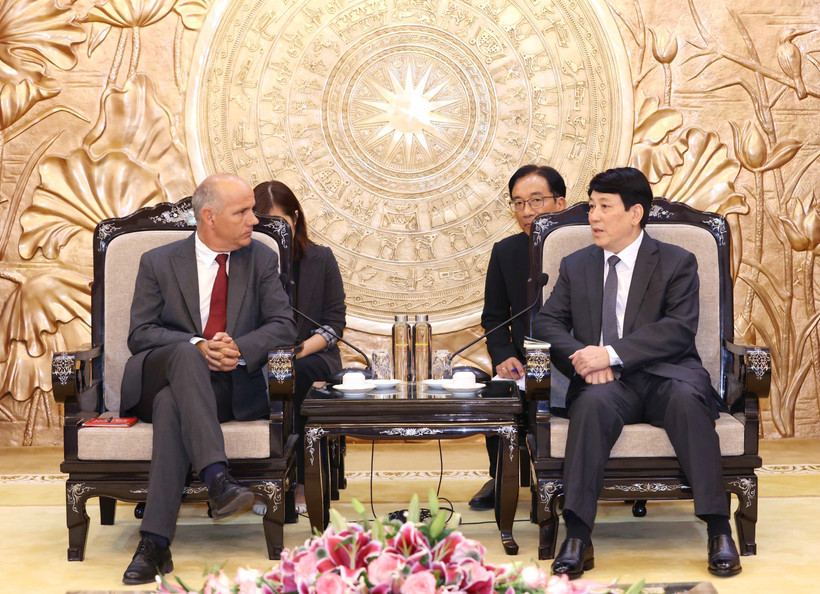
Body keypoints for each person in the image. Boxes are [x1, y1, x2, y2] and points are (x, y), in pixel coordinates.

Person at [532, 167, 741, 578]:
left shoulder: (677, 261)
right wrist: (583, 358)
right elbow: (547, 323)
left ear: (635, 214)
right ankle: (577, 536)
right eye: (592, 205)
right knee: (590, 407)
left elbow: (678, 330)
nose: (593, 215)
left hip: (667, 376)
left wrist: (608, 354)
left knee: (687, 402)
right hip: (605, 386)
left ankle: (719, 529)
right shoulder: (577, 265)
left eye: (604, 207)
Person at [119, 174, 297, 585]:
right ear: (209, 217)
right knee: (184, 354)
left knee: (171, 406)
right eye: (244, 212)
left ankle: (155, 543)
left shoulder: (261, 259)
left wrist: (240, 349)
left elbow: (283, 325)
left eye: (252, 209)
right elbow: (139, 334)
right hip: (156, 375)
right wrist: (198, 344)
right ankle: (216, 476)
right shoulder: (158, 262)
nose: (255, 219)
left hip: (225, 387)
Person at [469, 165, 567, 509]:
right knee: (494, 390)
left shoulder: (587, 246)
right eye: (518, 203)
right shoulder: (506, 251)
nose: (527, 212)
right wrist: (504, 355)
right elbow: (493, 318)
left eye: (536, 201)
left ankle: (568, 476)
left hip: (575, 360)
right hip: (524, 362)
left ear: (561, 202)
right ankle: (502, 477)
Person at [252, 180, 346, 514]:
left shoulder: (320, 259)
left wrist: (297, 351)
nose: (273, 233)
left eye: (280, 224)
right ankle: (262, 479)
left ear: (295, 218)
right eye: (263, 225)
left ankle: (305, 481)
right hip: (258, 358)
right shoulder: (245, 261)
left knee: (298, 375)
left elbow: (335, 323)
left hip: (313, 355)